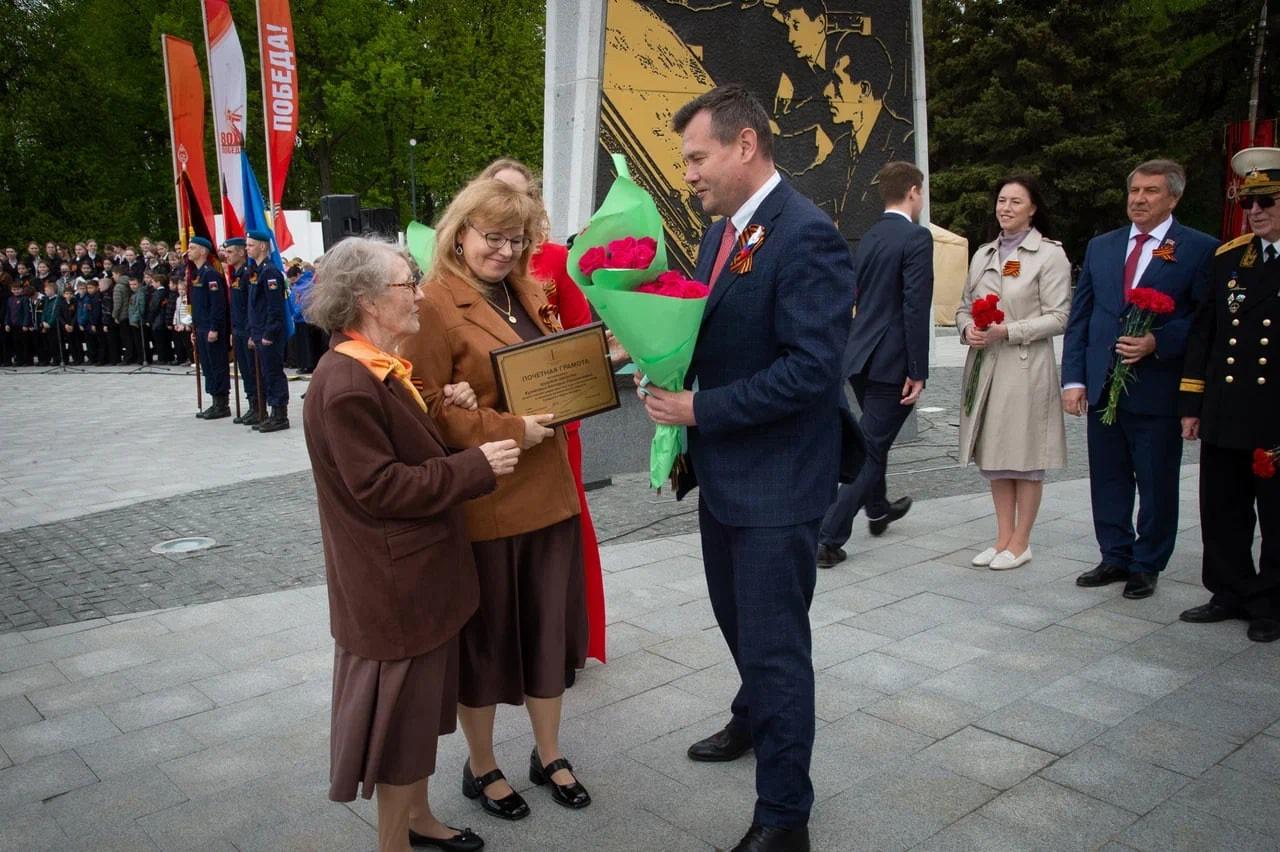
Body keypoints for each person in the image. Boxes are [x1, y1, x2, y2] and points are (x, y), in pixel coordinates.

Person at [643, 84, 855, 852]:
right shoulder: (721, 234)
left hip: (777, 484)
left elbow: (810, 372)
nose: (687, 174)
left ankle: (783, 818)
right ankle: (752, 713)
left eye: (697, 157)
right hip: (727, 476)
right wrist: (654, 358)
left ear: (744, 145)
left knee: (775, 647)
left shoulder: (806, 235)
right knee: (742, 627)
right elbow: (717, 332)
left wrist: (698, 411)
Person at [302, 236, 519, 852]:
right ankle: (394, 842)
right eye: (407, 283)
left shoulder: (374, 367)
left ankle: (420, 821)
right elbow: (381, 488)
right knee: (399, 735)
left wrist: (441, 404)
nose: (420, 293)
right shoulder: (346, 382)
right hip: (394, 591)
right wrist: (475, 465)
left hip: (414, 583)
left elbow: (402, 445)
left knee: (418, 719)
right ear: (368, 299)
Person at [401, 178, 592, 824]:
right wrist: (510, 427)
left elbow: (553, 369)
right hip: (489, 502)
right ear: (461, 233)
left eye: (516, 239)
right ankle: (481, 765)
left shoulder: (528, 291)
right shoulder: (432, 303)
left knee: (547, 635)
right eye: (494, 237)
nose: (505, 250)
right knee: (486, 647)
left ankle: (549, 753)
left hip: (551, 495)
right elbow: (425, 406)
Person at [1063, 160, 1217, 600]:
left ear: (1173, 197)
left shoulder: (1199, 249)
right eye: (1134, 191)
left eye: (1150, 191)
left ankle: (1147, 562)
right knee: (1107, 476)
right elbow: (1083, 317)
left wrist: (1158, 341)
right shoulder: (1103, 246)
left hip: (1156, 388)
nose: (1139, 199)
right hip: (1103, 383)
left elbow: (1204, 321)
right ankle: (1114, 553)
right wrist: (1074, 379)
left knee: (1155, 481)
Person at [481, 156, 609, 673]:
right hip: (493, 428)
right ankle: (510, 645)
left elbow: (583, 335)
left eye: (518, 197)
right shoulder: (464, 276)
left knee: (562, 530)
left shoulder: (556, 260)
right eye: (496, 195)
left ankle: (563, 641)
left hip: (557, 422)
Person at [1178, 147, 1280, 643]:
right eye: (1249, 203)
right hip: (1226, 406)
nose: (1255, 211)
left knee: (1277, 514)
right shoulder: (1229, 259)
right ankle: (1229, 590)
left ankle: (1272, 602)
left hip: (1274, 414)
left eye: (1267, 201)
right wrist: (1192, 404)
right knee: (1221, 507)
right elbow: (1204, 334)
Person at [816, 161, 931, 569]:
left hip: (861, 357)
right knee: (870, 448)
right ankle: (827, 537)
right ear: (914, 191)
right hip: (893, 363)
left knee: (873, 438)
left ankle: (878, 508)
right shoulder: (917, 238)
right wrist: (917, 369)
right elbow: (915, 307)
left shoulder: (870, 237)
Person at [956, 175, 1072, 569]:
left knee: (1024, 455)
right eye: (1001, 201)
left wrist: (1009, 331)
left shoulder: (1049, 255)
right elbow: (963, 307)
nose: (1005, 208)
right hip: (987, 365)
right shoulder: (984, 253)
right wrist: (966, 328)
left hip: (1024, 365)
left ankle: (1022, 541)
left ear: (1033, 208)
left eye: (1015, 202)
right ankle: (1003, 536)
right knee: (995, 456)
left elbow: (1060, 317)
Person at [245, 229, 291, 432]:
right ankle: (272, 412)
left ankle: (280, 415)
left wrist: (269, 333)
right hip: (259, 331)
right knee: (265, 373)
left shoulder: (270, 272)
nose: (247, 248)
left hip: (269, 334)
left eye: (250, 245)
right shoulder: (258, 271)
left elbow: (275, 308)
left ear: (263, 246)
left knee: (273, 372)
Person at [188, 237, 231, 419]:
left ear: (203, 251)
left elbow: (217, 305)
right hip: (201, 327)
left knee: (217, 365)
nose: (188, 251)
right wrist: (195, 329)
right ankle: (214, 400)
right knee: (207, 365)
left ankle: (222, 403)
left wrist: (214, 327)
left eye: (192, 248)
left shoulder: (210, 274)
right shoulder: (197, 274)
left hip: (212, 328)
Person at [223, 238, 260, 424]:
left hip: (247, 330)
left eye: (230, 252)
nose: (226, 255)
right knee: (244, 370)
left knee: (252, 370)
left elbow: (251, 306)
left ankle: (258, 406)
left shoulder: (247, 274)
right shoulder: (237, 274)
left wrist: (252, 331)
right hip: (238, 330)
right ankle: (252, 404)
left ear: (241, 253)